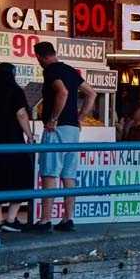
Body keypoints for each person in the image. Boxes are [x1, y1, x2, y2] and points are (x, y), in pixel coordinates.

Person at [32, 41, 93, 232]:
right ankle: (68, 218)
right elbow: (91, 93)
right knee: (69, 174)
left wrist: (53, 118)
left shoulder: (51, 70)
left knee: (50, 171)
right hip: (73, 129)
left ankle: (45, 220)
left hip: (57, 129)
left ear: (40, 57)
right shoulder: (70, 71)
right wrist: (80, 117)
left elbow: (62, 92)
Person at [0, 61, 34, 233]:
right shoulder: (15, 91)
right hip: (13, 141)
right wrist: (30, 135)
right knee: (21, 178)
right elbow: (20, 114)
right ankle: (11, 219)